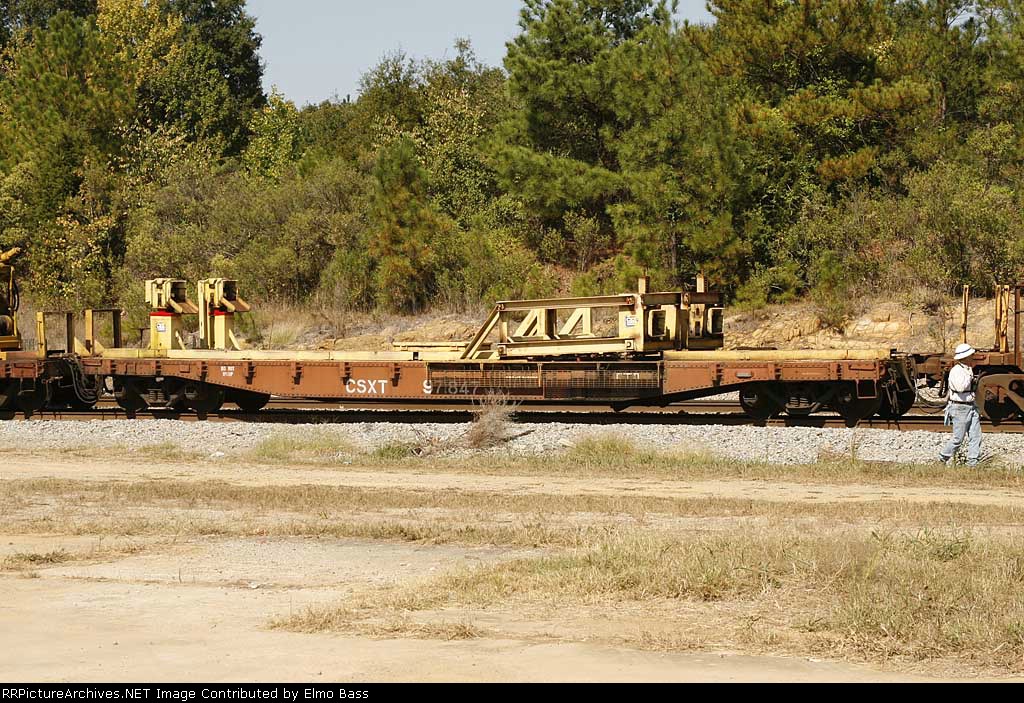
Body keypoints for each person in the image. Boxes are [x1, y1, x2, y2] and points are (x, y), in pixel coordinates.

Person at [939, 343, 982, 467]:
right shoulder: (957, 371)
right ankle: (942, 458)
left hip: (971, 406)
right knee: (958, 439)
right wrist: (971, 379)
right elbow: (960, 388)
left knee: (976, 436)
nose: (973, 357)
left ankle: (973, 463)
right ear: (966, 357)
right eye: (971, 355)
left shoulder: (967, 369)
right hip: (960, 408)